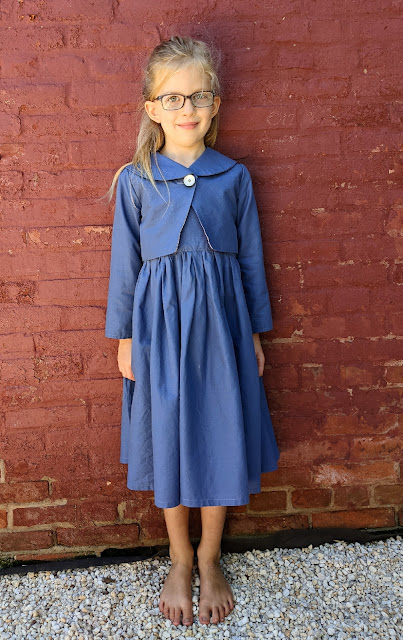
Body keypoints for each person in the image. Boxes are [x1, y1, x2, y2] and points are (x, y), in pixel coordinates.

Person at [104, 35, 280, 628]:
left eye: (199, 96)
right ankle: (179, 558)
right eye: (173, 98)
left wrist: (254, 333)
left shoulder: (233, 177)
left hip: (223, 331)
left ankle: (210, 557)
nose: (187, 108)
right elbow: (125, 267)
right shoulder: (137, 180)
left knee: (221, 429)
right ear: (152, 108)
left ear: (216, 103)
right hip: (159, 333)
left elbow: (251, 260)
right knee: (169, 434)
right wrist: (125, 338)